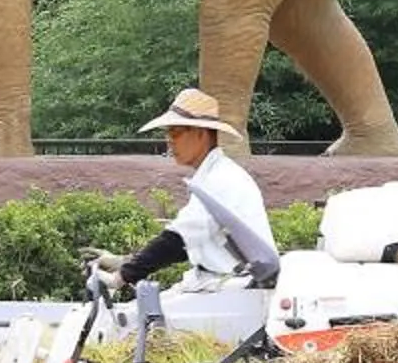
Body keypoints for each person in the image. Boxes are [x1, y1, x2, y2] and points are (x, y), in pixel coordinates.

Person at [90, 86, 279, 295]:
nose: (169, 141)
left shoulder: (222, 179)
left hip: (235, 292)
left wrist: (120, 277)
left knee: (141, 322)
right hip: (220, 286)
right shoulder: (211, 175)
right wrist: (125, 261)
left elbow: (176, 240)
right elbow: (187, 243)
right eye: (168, 133)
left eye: (176, 132)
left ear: (200, 134)